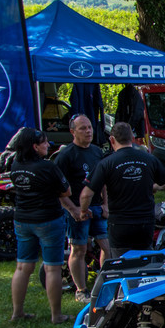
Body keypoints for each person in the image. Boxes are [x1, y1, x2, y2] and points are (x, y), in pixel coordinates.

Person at [8, 127, 81, 324]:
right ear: (35, 146)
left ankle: (17, 312)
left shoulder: (16, 164)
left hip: (23, 219)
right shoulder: (47, 167)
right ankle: (56, 315)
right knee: (52, 268)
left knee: (22, 267)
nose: (48, 145)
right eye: (45, 142)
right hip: (48, 220)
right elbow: (66, 191)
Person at [82, 122, 165, 258]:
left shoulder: (106, 163)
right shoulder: (148, 158)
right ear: (132, 138)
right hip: (145, 223)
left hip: (120, 224)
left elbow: (86, 194)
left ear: (112, 140)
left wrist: (83, 211)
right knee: (145, 260)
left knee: (121, 262)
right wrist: (155, 187)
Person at [55, 114, 111, 303]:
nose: (88, 131)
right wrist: (73, 210)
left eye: (89, 127)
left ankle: (105, 283)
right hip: (77, 210)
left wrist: (105, 204)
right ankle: (81, 290)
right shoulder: (66, 156)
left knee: (106, 246)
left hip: (97, 207)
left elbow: (103, 181)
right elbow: (57, 189)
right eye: (83, 128)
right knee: (78, 249)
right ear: (73, 132)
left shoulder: (96, 152)